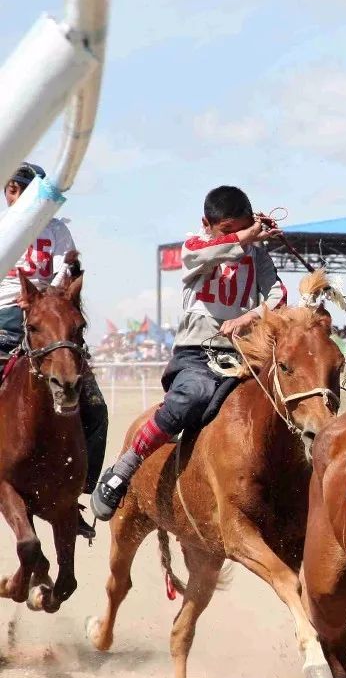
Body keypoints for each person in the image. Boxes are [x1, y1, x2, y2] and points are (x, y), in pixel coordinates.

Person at [90, 185, 285, 520]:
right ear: (206, 224)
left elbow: (278, 293)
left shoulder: (259, 255)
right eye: (228, 230)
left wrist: (249, 316)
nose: (237, 236)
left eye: (242, 227)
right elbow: (202, 254)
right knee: (192, 396)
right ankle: (124, 467)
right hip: (198, 355)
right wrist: (246, 236)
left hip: (246, 354)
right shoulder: (194, 244)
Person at [1, 163, 109, 531]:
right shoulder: (2, 228)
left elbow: (68, 277)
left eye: (22, 189)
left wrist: (64, 282)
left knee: (95, 408)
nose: (14, 194)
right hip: (4, 320)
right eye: (12, 189)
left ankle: (78, 492)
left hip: (51, 322)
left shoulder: (59, 231)